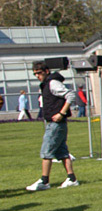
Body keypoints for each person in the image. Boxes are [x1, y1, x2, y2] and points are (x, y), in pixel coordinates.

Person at [26, 61, 80, 191]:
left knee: (46, 152)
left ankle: (44, 181)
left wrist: (61, 113)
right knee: (62, 152)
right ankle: (72, 178)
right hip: (55, 123)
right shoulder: (46, 84)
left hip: (56, 123)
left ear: (46, 71)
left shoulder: (52, 83)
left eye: (39, 73)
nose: (37, 76)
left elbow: (70, 94)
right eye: (35, 74)